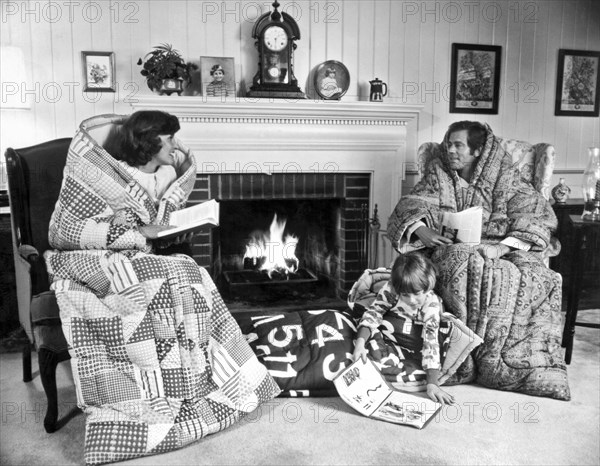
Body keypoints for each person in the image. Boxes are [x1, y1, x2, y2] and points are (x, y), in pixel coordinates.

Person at [44, 111, 281, 463]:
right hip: (91, 257)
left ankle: (194, 383)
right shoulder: (98, 172)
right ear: (149, 141)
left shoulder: (163, 174)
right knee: (157, 276)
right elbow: (66, 230)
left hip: (140, 253)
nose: (174, 145)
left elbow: (168, 198)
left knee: (189, 269)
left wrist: (160, 229)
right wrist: (136, 234)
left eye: (173, 138)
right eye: (167, 138)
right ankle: (153, 401)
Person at [385, 120, 570, 400]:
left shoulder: (506, 176)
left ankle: (506, 366)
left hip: (503, 246)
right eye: (448, 143)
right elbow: (413, 202)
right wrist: (422, 230)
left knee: (531, 277)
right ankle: (457, 363)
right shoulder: (438, 171)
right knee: (462, 261)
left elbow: (537, 213)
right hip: (451, 246)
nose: (450, 150)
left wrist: (503, 248)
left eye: (458, 145)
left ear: (477, 150)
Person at [353, 253, 455, 405]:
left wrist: (432, 383)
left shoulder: (431, 303)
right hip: (393, 328)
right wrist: (360, 343)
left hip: (415, 335)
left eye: (417, 294)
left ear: (427, 286)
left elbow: (431, 340)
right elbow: (375, 312)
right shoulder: (391, 289)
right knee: (367, 338)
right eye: (405, 295)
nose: (412, 300)